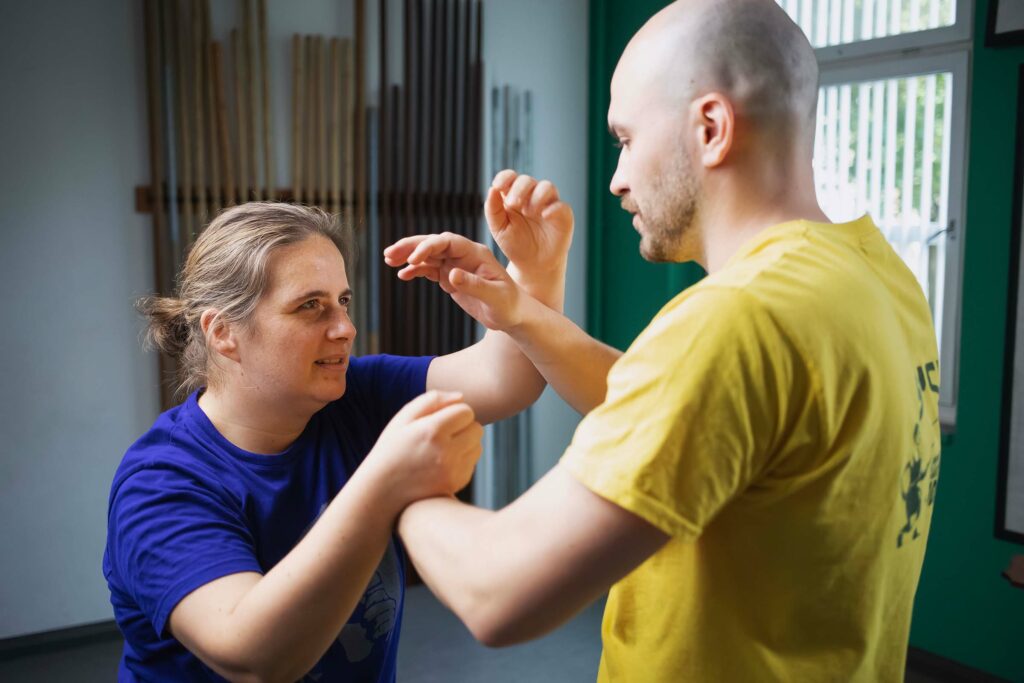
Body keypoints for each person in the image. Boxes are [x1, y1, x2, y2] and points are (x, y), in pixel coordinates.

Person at [384, 0, 942, 680]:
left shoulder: (735, 318)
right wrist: (523, 312)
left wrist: (394, 480)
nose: (616, 177)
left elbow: (495, 590)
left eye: (624, 138)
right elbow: (704, 413)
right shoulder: (877, 275)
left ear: (710, 127)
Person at [102, 199, 567, 682]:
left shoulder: (354, 396)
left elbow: (504, 380)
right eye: (310, 306)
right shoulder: (160, 484)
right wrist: (385, 482)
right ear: (224, 333)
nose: (345, 328)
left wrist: (535, 268)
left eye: (342, 301)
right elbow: (253, 657)